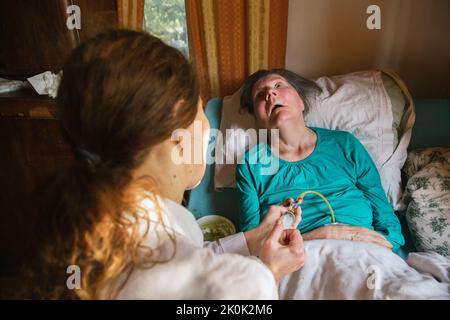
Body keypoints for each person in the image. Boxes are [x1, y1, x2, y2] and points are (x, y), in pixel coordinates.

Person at [21, 31, 305, 299]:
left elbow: (186, 254)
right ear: (179, 136)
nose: (207, 125)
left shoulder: (77, 236)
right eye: (201, 110)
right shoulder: (240, 286)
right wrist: (269, 274)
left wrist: (253, 239)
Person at [237, 69, 405, 253]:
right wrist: (328, 234)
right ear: (258, 119)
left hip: (367, 253)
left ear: (301, 101)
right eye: (260, 95)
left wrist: (381, 249)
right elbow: (252, 245)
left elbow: (390, 228)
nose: (270, 93)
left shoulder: (345, 144)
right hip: (299, 261)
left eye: (278, 85)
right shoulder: (251, 165)